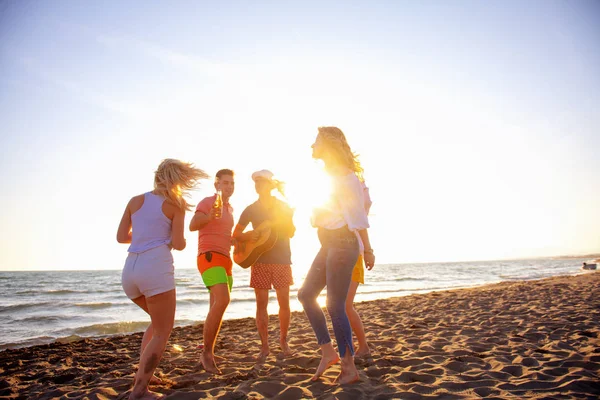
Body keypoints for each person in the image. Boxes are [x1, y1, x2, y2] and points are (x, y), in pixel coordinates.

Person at [117, 158, 208, 400]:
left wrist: (145, 235)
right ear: (178, 180)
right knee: (163, 330)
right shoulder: (174, 205)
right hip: (155, 267)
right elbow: (178, 244)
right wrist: (170, 239)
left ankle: (145, 375)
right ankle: (139, 390)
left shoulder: (135, 201)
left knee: (156, 325)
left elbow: (120, 237)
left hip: (130, 270)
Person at [298, 126, 375, 385]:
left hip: (343, 243)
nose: (312, 146)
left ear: (328, 145)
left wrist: (368, 250)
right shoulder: (326, 178)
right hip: (328, 244)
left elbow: (358, 219)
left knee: (335, 305)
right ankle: (328, 352)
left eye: (316, 141)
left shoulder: (347, 179)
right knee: (306, 294)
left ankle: (349, 367)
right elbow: (319, 215)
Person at [232, 170, 296, 363]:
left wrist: (281, 223)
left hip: (282, 258)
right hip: (259, 260)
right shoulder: (250, 209)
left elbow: (292, 232)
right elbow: (236, 234)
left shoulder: (283, 206)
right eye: (256, 182)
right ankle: (265, 345)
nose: (257, 185)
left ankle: (283, 341)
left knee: (284, 302)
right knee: (261, 304)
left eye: (261, 182)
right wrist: (249, 236)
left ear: (270, 185)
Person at [189, 169, 235, 374]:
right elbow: (193, 225)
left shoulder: (230, 208)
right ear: (216, 185)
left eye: (232, 183)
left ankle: (209, 350)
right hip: (208, 256)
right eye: (225, 183)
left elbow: (224, 233)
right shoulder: (207, 202)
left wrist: (239, 241)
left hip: (226, 259)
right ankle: (206, 353)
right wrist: (208, 217)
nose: (229, 187)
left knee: (216, 305)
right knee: (223, 300)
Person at [345, 180, 374, 358]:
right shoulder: (339, 180)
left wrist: (369, 250)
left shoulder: (355, 183)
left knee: (345, 305)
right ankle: (352, 347)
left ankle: (362, 347)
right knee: (337, 305)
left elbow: (361, 221)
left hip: (354, 251)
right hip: (335, 250)